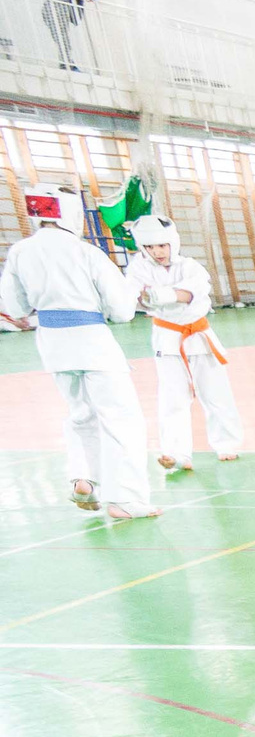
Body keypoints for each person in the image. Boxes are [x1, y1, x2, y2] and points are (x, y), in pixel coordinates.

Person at [0, 183, 154, 519]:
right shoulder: (86, 253)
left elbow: (13, 306)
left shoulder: (20, 252)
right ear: (70, 212)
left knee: (80, 415)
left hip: (52, 343)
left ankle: (84, 478)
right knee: (121, 419)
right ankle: (125, 499)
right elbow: (122, 311)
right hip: (92, 341)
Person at [123, 215, 242, 472]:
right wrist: (142, 300)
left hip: (199, 335)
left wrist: (159, 295)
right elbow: (132, 297)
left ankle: (227, 443)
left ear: (172, 243)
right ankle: (177, 454)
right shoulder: (138, 268)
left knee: (216, 393)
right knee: (172, 398)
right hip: (166, 338)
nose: (158, 252)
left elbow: (188, 294)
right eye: (151, 247)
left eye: (162, 246)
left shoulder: (191, 267)